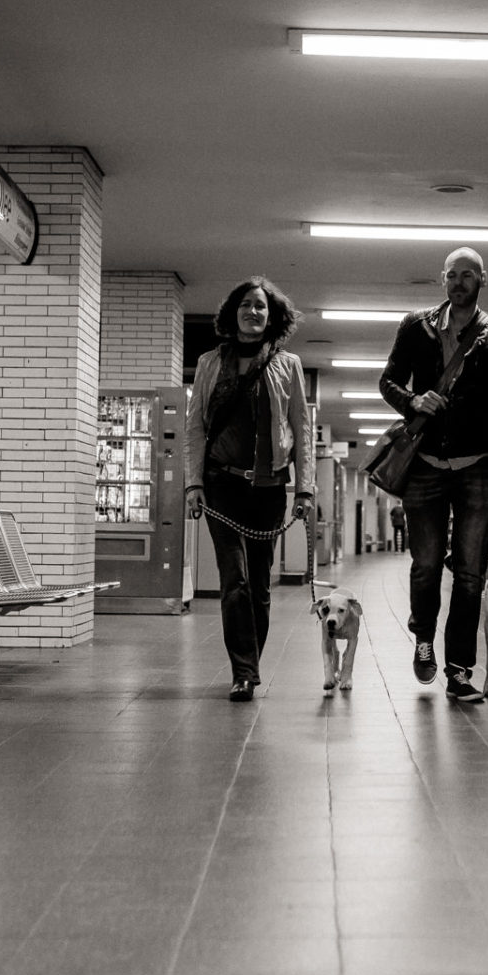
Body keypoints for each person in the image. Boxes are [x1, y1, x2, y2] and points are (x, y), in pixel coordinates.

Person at [378, 247, 488, 703]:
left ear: (483, 279)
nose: (459, 282)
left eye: (468, 275)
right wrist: (412, 401)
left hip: (475, 469)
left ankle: (459, 671)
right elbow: (388, 381)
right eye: (452, 275)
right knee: (426, 566)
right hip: (423, 465)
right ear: (442, 280)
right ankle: (424, 637)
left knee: (468, 575)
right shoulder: (414, 326)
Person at [185, 277, 315, 702]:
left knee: (259, 585)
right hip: (221, 485)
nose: (253, 312)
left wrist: (305, 490)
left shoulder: (288, 365)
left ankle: (250, 662)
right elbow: (195, 428)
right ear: (232, 313)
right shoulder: (208, 363)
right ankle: (243, 671)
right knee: (235, 579)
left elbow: (302, 428)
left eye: (260, 306)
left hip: (269, 487)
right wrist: (194, 483)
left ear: (271, 316)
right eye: (245, 305)